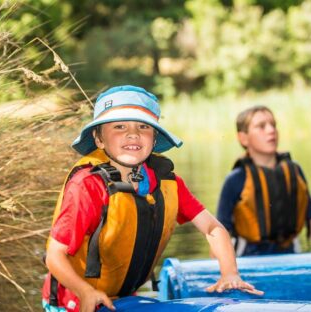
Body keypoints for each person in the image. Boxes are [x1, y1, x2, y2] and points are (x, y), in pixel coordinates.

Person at [42, 86, 263, 312]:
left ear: (154, 138)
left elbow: (212, 227)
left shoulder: (169, 184)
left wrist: (229, 273)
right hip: (73, 300)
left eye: (143, 126)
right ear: (99, 138)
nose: (133, 134)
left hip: (124, 297)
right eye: (119, 126)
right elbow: (54, 255)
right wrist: (86, 291)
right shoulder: (86, 187)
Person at [216, 105, 311, 256]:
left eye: (273, 125)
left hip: (291, 254)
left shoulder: (295, 171)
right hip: (249, 257)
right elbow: (219, 231)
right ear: (243, 138)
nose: (271, 130)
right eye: (261, 126)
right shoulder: (235, 179)